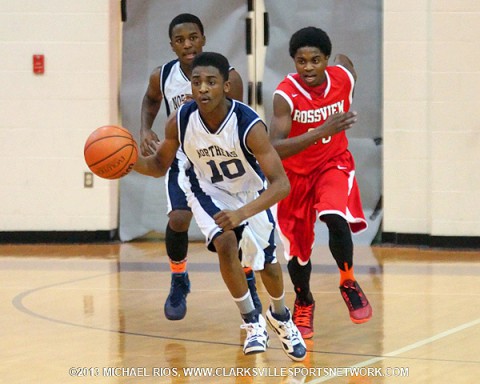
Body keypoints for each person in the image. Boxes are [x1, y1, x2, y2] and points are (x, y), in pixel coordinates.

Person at [134, 52, 311, 360]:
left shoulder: (249, 126)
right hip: (207, 189)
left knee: (267, 266)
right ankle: (251, 320)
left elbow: (281, 184)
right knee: (226, 242)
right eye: (196, 82)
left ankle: (281, 316)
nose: (202, 88)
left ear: (226, 86)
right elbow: (160, 165)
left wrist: (242, 213)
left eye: (211, 82)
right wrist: (129, 163)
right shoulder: (179, 121)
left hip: (250, 195)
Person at [139, 13, 261, 321]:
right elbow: (151, 100)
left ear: (204, 39)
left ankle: (247, 275)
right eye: (180, 40)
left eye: (193, 37)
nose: (188, 44)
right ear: (171, 45)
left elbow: (236, 117)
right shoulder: (162, 75)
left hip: (221, 158)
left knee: (235, 228)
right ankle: (179, 277)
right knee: (179, 219)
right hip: (183, 158)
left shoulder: (226, 75)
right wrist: (144, 129)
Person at [269, 26, 373, 340]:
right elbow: (275, 145)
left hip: (333, 164)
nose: (309, 67)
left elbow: (347, 63)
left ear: (326, 59)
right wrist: (320, 129)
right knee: (298, 252)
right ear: (293, 62)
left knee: (334, 215)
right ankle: (303, 301)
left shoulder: (343, 77)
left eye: (316, 60)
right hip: (296, 176)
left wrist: (341, 61)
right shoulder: (285, 96)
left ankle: (349, 281)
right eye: (301, 61)